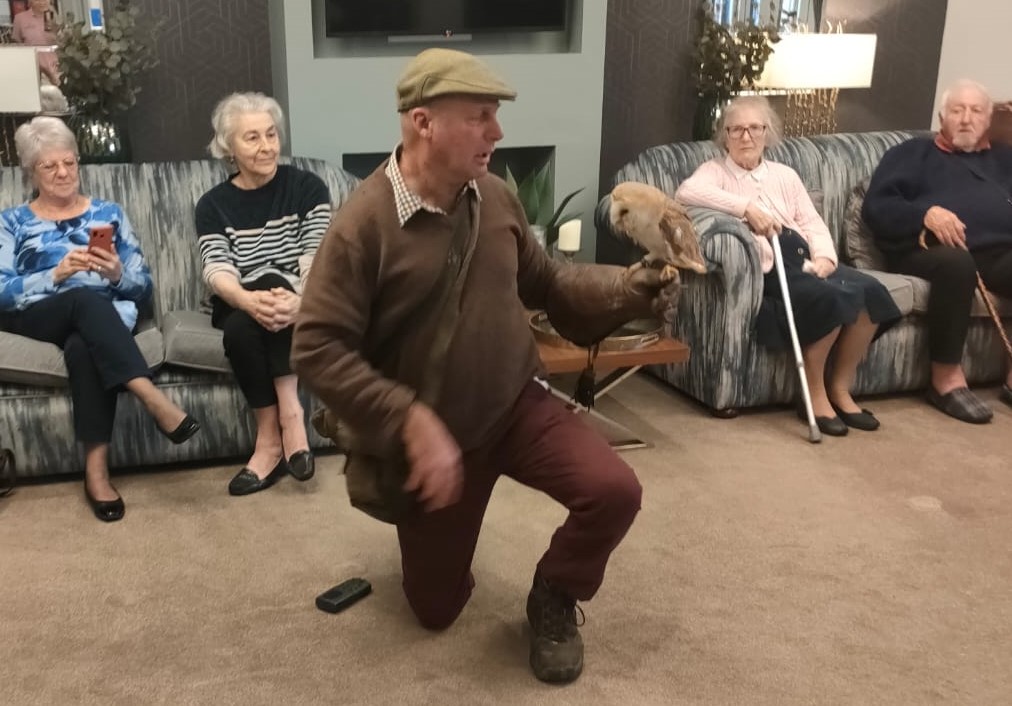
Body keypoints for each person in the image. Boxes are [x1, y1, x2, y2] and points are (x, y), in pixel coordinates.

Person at [291, 48, 678, 684]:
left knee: (614, 491)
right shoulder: (362, 226)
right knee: (435, 609)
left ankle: (554, 594)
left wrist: (625, 289)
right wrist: (409, 421)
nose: (497, 132)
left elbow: (547, 283)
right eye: (479, 116)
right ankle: (436, 545)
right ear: (422, 122)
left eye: (494, 115)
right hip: (436, 436)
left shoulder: (496, 197)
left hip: (516, 403)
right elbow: (316, 346)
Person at [0, 117, 200, 522]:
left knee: (83, 345)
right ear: (31, 172)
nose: (63, 172)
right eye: (49, 166)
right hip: (37, 317)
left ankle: (96, 474)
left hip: (101, 322)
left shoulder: (108, 213)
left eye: (69, 162)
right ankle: (152, 398)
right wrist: (54, 275)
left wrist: (117, 274)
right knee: (82, 298)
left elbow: (142, 288)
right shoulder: (12, 221)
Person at [676, 95, 901, 436]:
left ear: (767, 133)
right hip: (771, 262)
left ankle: (840, 388)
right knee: (829, 299)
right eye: (736, 129)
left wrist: (825, 257)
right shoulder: (715, 171)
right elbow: (687, 192)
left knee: (872, 293)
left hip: (805, 255)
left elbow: (810, 221)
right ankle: (814, 394)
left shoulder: (785, 175)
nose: (746, 137)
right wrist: (746, 208)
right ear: (725, 136)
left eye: (754, 128)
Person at [195, 92, 331, 496]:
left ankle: (270, 440)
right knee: (255, 297)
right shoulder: (213, 205)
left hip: (298, 297)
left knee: (241, 329)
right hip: (239, 297)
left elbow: (317, 259)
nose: (267, 146)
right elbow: (217, 270)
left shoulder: (307, 188)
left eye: (271, 134)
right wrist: (249, 299)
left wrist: (303, 303)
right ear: (228, 148)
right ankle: (291, 419)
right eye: (252, 138)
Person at [863, 79, 1012, 424]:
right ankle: (945, 380)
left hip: (997, 253)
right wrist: (925, 214)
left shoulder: (1004, 159)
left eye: (976, 111)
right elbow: (877, 207)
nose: (966, 119)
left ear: (988, 120)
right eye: (957, 110)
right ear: (942, 117)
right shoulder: (913, 153)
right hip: (926, 250)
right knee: (956, 263)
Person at [11, 0, 60, 87]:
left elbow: (63, 44)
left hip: (57, 70)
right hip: (33, 72)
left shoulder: (55, 18)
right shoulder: (20, 19)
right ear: (30, 1)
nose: (42, 2)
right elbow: (17, 48)